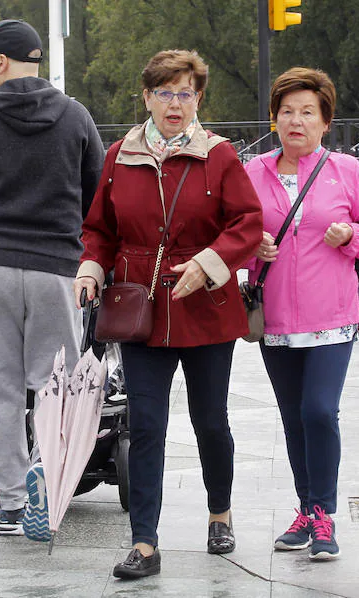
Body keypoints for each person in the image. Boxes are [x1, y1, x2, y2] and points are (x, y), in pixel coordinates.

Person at [74, 50, 263, 578]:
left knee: (210, 421)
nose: (174, 104)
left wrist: (207, 264)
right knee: (147, 424)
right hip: (140, 309)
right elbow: (99, 228)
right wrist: (92, 267)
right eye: (164, 92)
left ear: (198, 98)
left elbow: (247, 224)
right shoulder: (119, 155)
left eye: (185, 93)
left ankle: (219, 513)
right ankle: (145, 544)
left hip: (206, 308)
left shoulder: (220, 156)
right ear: (146, 97)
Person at [0, 19, 106, 536]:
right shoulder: (76, 116)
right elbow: (95, 193)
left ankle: (12, 501)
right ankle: (48, 479)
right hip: (55, 267)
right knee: (52, 384)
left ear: (0, 61)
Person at [245, 67, 359, 560]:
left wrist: (352, 236)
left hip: (333, 317)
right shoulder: (253, 173)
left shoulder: (346, 171)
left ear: (325, 122)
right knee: (292, 418)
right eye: (287, 111)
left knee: (318, 411)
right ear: (273, 119)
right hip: (275, 320)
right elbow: (232, 234)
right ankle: (306, 510)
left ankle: (324, 515)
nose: (297, 121)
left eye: (308, 112)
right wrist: (253, 248)